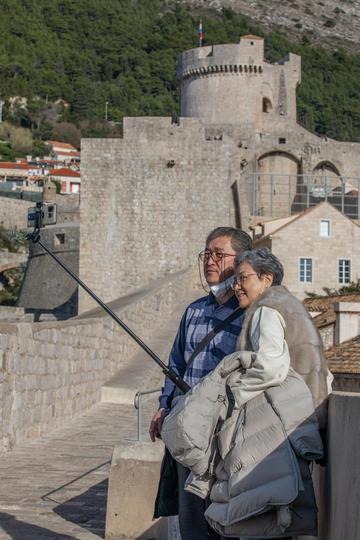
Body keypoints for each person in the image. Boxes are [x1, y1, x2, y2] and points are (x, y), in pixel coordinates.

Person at [161, 248, 328, 539]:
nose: (237, 285)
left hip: (276, 420)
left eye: (243, 278)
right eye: (236, 279)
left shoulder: (266, 309)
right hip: (299, 420)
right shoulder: (289, 304)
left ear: (266, 278)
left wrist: (231, 396)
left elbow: (271, 366)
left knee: (258, 513)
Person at [149, 226, 253, 540]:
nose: (210, 260)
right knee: (192, 520)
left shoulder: (251, 314)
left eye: (219, 254)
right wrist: (163, 407)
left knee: (227, 520)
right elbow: (176, 365)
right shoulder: (193, 311)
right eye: (207, 254)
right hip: (189, 432)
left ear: (240, 261)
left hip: (226, 434)